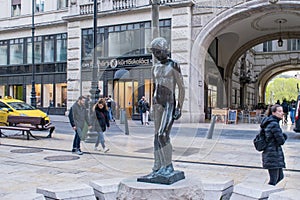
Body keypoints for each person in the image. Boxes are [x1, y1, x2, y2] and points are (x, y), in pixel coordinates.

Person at [150, 37, 185, 177]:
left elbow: (182, 88)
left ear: (165, 50)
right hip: (157, 103)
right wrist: (152, 105)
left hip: (169, 103)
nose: (156, 55)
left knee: (162, 135)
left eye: (158, 52)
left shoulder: (174, 65)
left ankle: (168, 166)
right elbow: (154, 87)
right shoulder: (155, 67)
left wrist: (179, 107)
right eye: (154, 52)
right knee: (156, 136)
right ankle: (158, 164)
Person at [260, 104, 287, 186]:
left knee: (280, 177)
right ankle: (265, 195)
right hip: (272, 154)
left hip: (273, 153)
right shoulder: (274, 124)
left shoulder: (270, 122)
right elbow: (281, 141)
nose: (282, 113)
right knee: (273, 180)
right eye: (279, 111)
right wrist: (284, 136)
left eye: (282, 111)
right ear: (273, 113)